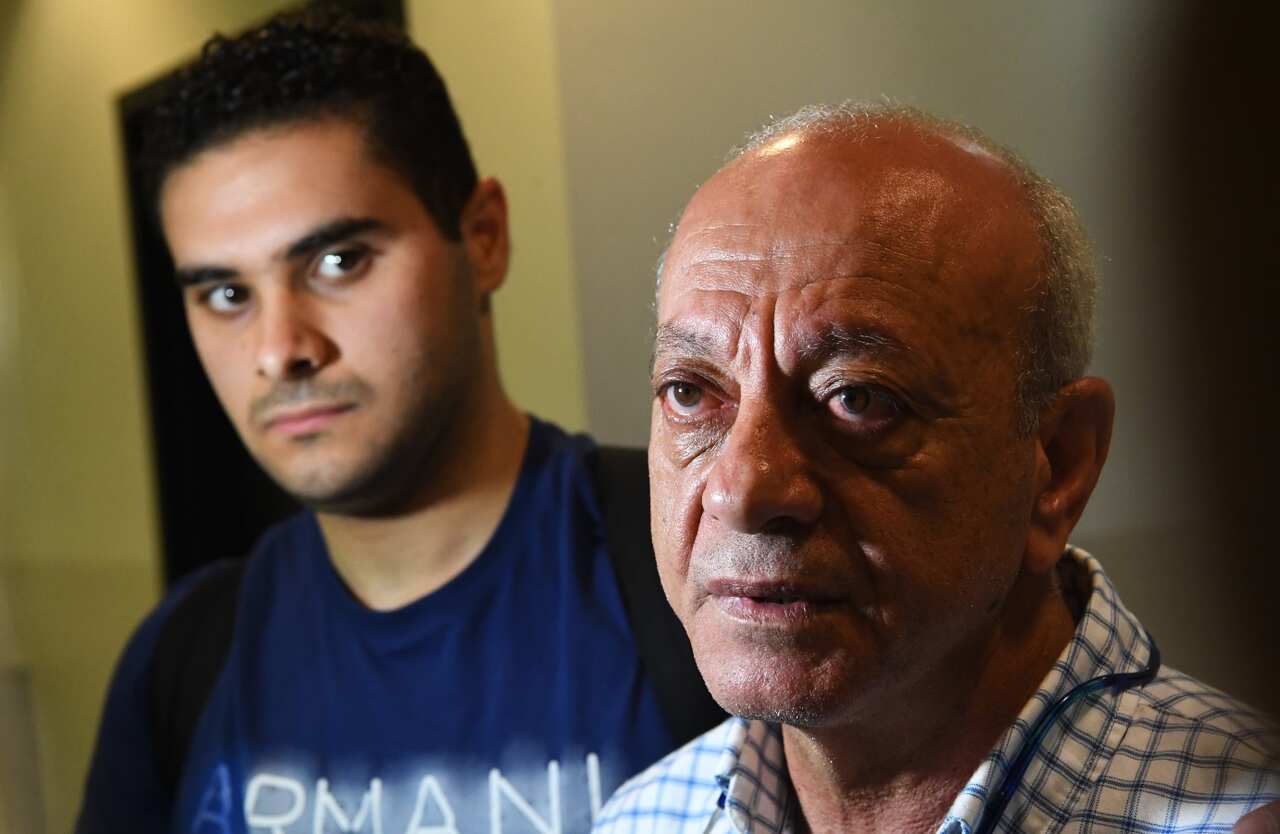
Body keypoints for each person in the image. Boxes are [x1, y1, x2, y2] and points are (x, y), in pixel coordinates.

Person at [76, 11, 721, 834]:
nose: (280, 350)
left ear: (483, 238)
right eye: (227, 294)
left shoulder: (696, 563)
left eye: (338, 261)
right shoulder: (183, 662)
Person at [594, 103, 1280, 833]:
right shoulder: (642, 820)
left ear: (1058, 465)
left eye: (857, 398)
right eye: (690, 392)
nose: (744, 489)